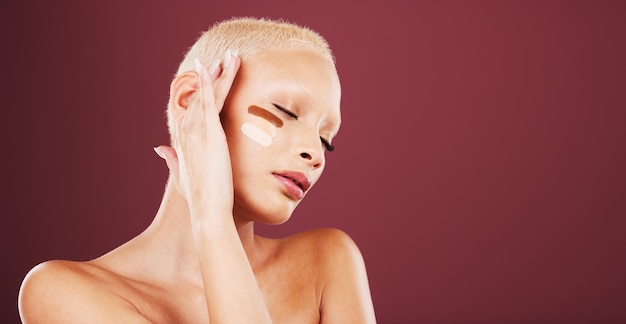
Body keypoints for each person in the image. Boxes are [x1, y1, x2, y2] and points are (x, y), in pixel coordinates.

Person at [18, 17, 376, 323]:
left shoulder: (327, 263)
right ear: (192, 101)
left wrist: (212, 219)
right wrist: (210, 216)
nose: (315, 152)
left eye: (326, 139)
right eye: (285, 111)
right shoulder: (62, 292)